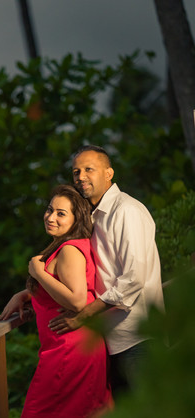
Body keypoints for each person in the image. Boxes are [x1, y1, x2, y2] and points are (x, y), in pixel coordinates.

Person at [0, 184, 113, 418]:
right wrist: (27, 294)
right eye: (50, 210)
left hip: (68, 349)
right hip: (76, 346)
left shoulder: (69, 250)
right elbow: (63, 288)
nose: (51, 217)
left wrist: (38, 274)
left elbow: (77, 300)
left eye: (62, 213)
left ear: (76, 220)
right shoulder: (68, 246)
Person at [48, 145, 165, 394]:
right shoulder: (91, 218)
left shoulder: (127, 211)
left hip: (138, 338)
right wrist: (25, 294)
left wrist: (83, 315)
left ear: (109, 173)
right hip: (110, 342)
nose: (80, 177)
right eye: (76, 171)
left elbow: (133, 279)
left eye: (89, 169)